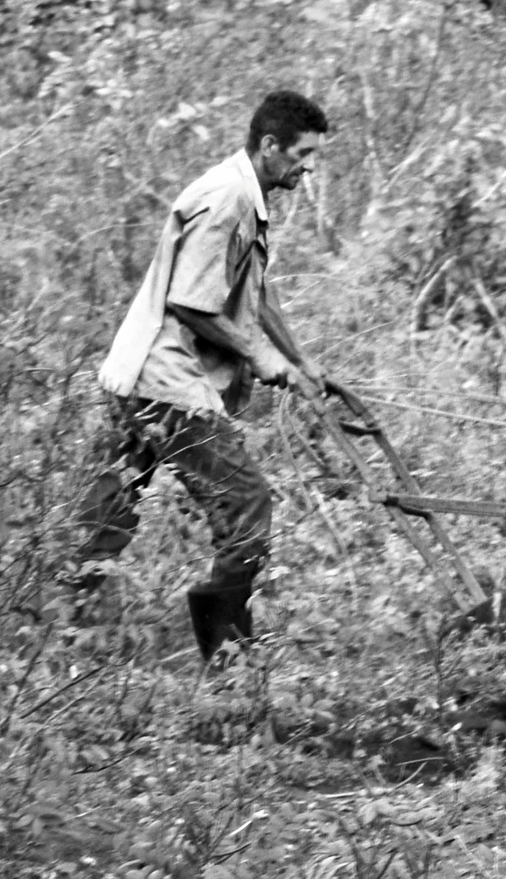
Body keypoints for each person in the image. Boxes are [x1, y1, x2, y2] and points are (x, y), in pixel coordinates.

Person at [63, 90, 330, 663]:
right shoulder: (228, 199)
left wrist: (301, 362)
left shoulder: (244, 197)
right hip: (168, 382)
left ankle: (54, 639)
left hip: (138, 377)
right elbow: (193, 303)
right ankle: (230, 659)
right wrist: (260, 358)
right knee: (249, 505)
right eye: (303, 153)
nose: (308, 167)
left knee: (103, 518)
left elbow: (256, 296)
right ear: (269, 146)